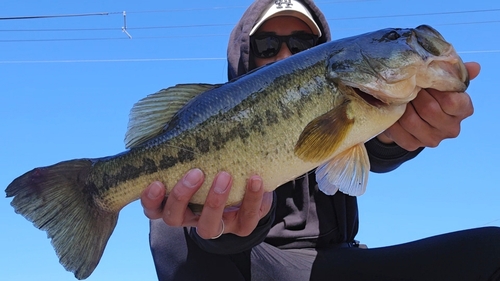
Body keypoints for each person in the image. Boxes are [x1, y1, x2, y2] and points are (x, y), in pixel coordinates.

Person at [141, 0, 500, 280]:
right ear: (245, 57)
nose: (284, 55)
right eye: (267, 45)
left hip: (337, 266)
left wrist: (400, 137)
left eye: (302, 44)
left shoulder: (358, 102)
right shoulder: (213, 120)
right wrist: (225, 230)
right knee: (170, 214)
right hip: (253, 266)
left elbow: (377, 145)